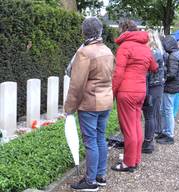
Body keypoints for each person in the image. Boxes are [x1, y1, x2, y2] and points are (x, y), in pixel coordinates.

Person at [64, 17, 114, 191]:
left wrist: (69, 108)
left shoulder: (85, 52)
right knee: (100, 138)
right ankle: (100, 176)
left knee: (91, 141)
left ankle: (91, 182)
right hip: (106, 101)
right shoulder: (107, 50)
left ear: (84, 32)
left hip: (90, 103)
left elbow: (76, 85)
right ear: (100, 31)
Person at [111, 20, 158, 172]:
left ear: (124, 31)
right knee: (137, 125)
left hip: (126, 91)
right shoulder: (145, 48)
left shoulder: (124, 47)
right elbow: (154, 67)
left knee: (128, 128)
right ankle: (135, 159)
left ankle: (128, 163)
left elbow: (118, 74)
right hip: (140, 91)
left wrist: (111, 92)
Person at [156, 35, 179, 144]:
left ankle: (169, 135)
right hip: (174, 86)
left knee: (168, 111)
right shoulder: (177, 54)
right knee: (165, 110)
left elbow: (172, 74)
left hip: (170, 87)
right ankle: (164, 131)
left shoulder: (173, 56)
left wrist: (163, 77)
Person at [142, 30, 165, 153]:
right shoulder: (157, 51)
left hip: (153, 86)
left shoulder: (154, 53)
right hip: (155, 86)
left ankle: (148, 143)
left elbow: (147, 71)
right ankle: (148, 141)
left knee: (150, 116)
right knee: (151, 115)